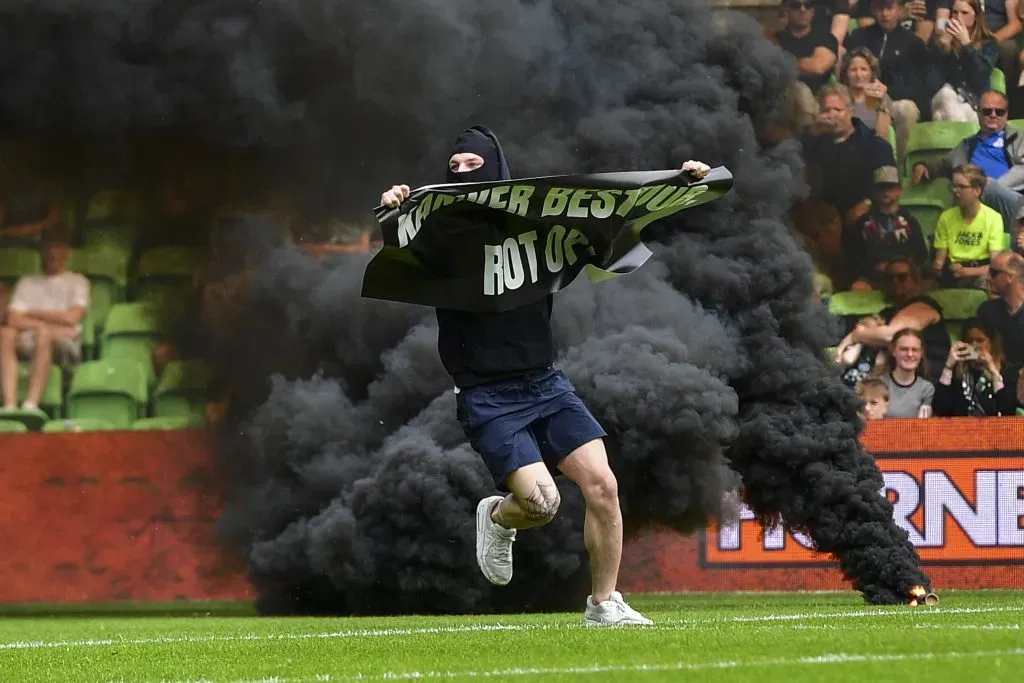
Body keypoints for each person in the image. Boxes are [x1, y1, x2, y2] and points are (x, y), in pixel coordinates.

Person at [379, 127, 711, 626]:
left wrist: (679, 184)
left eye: (476, 165)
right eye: (457, 169)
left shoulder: (541, 218)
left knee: (603, 486)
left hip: (546, 384)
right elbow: (400, 238)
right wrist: (394, 206)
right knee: (542, 505)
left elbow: (615, 213)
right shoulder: (441, 234)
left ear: (498, 168)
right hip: (486, 395)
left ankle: (603, 604)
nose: (466, 175)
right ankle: (497, 516)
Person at [0, 230, 89, 412]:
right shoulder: (27, 282)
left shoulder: (78, 281)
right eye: (47, 247)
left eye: (57, 247)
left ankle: (31, 405)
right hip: (34, 337)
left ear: (67, 251)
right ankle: (10, 405)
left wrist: (31, 313)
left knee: (43, 335)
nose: (51, 252)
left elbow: (72, 317)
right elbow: (12, 318)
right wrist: (47, 325)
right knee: (6, 333)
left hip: (64, 343)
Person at [912, 91, 1024, 232]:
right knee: (962, 189)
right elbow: (944, 164)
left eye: (999, 112)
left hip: (1013, 203)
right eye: (987, 111)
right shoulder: (967, 146)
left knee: (979, 185)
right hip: (975, 201)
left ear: (1006, 114)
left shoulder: (1020, 138)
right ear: (978, 113)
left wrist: (987, 188)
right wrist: (924, 165)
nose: (993, 115)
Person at [844, 165, 929, 289]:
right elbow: (855, 257)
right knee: (858, 288)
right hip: (874, 278)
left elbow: (921, 254)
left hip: (904, 276)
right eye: (881, 188)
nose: (885, 191)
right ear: (874, 191)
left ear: (900, 190)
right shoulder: (863, 222)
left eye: (890, 187)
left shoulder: (909, 220)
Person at [931, 164, 1005, 287]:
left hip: (981, 271)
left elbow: (995, 265)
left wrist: (967, 272)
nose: (955, 191)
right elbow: (939, 261)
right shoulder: (946, 217)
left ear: (977, 190)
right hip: (953, 270)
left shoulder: (993, 218)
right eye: (953, 186)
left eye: (961, 187)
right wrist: (939, 266)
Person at [927, 0, 999, 121]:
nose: (958, 18)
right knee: (947, 94)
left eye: (964, 13)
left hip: (972, 102)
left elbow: (980, 77)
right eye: (955, 12)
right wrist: (942, 49)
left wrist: (967, 44)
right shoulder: (939, 41)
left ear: (976, 17)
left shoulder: (989, 43)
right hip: (943, 97)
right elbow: (931, 82)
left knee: (960, 113)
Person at [933, 318, 1020, 415]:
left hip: (994, 428)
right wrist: (948, 367)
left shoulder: (1008, 372)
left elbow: (1007, 412)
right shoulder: (957, 372)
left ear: (991, 343)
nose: (974, 345)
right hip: (961, 427)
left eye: (980, 340)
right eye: (970, 341)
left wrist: (994, 373)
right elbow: (940, 409)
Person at [880, 328, 936, 417]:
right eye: (904, 349)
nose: (910, 354)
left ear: (921, 353)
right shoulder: (878, 384)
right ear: (893, 351)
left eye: (915, 350)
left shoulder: (927, 389)